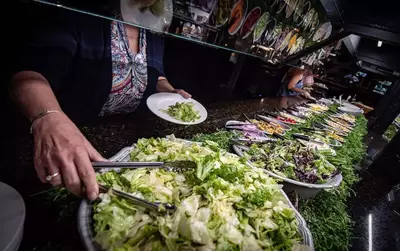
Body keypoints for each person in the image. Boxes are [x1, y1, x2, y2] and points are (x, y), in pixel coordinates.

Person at [9, 6, 191, 201]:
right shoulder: (82, 12)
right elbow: (29, 73)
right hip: (70, 148)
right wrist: (49, 118)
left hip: (126, 144)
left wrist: (168, 89)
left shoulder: (152, 28)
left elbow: (155, 73)